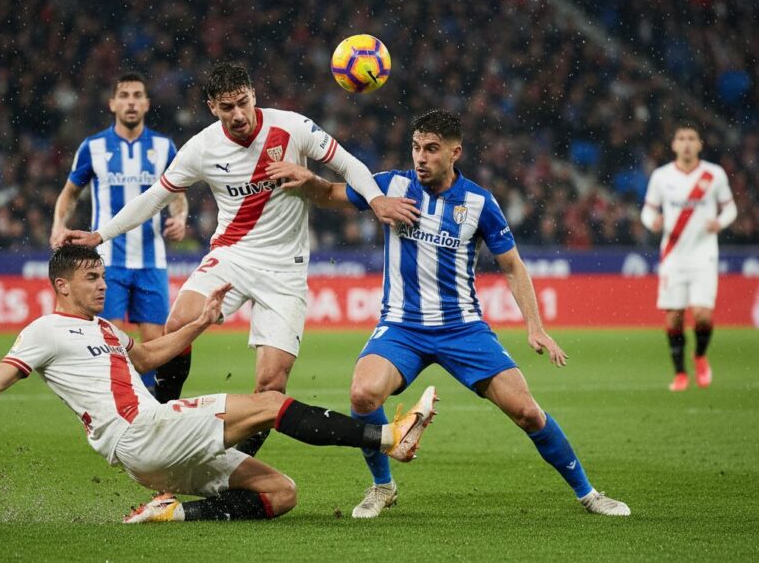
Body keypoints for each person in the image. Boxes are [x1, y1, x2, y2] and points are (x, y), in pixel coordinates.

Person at [0, 245, 437, 523]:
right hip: (142, 430)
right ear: (61, 285)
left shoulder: (104, 328)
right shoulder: (44, 330)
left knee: (281, 494)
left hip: (151, 453)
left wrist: (200, 323)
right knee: (270, 401)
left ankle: (174, 513)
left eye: (103, 275)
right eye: (91, 278)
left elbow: (149, 352)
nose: (103, 284)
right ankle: (390, 438)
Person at [268, 109, 630, 518]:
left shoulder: (479, 203)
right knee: (362, 394)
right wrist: (307, 180)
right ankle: (382, 486)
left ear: (455, 152)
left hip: (463, 329)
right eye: (416, 147)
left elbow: (513, 266)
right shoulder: (391, 185)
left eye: (432, 149)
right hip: (402, 327)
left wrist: (536, 326)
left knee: (528, 411)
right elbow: (331, 194)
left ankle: (588, 493)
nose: (421, 157)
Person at [64, 63, 420, 457]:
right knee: (179, 321)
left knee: (270, 388)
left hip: (285, 272)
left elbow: (347, 164)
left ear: (253, 95)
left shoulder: (292, 127)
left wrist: (376, 200)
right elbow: (154, 198)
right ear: (211, 107)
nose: (237, 115)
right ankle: (158, 415)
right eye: (226, 107)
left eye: (243, 103)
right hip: (233, 256)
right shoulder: (201, 148)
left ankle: (235, 468)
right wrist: (101, 234)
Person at [50, 72, 189, 394]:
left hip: (151, 260)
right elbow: (70, 193)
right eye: (124, 95)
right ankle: (123, 399)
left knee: (156, 342)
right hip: (107, 261)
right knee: (110, 337)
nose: (131, 101)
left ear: (147, 104)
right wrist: (58, 224)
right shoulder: (93, 147)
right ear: (112, 103)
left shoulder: (162, 146)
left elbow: (177, 196)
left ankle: (149, 403)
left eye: (137, 95)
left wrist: (180, 218)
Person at [640, 123, 737, 392]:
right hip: (673, 256)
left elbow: (731, 209)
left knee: (703, 316)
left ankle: (700, 356)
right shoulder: (661, 176)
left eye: (691, 138)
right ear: (673, 145)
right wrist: (653, 222)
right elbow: (647, 211)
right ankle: (681, 373)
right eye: (681, 138)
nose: (686, 143)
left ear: (699, 144)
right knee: (674, 318)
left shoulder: (713, 175)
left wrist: (720, 222)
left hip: (704, 254)